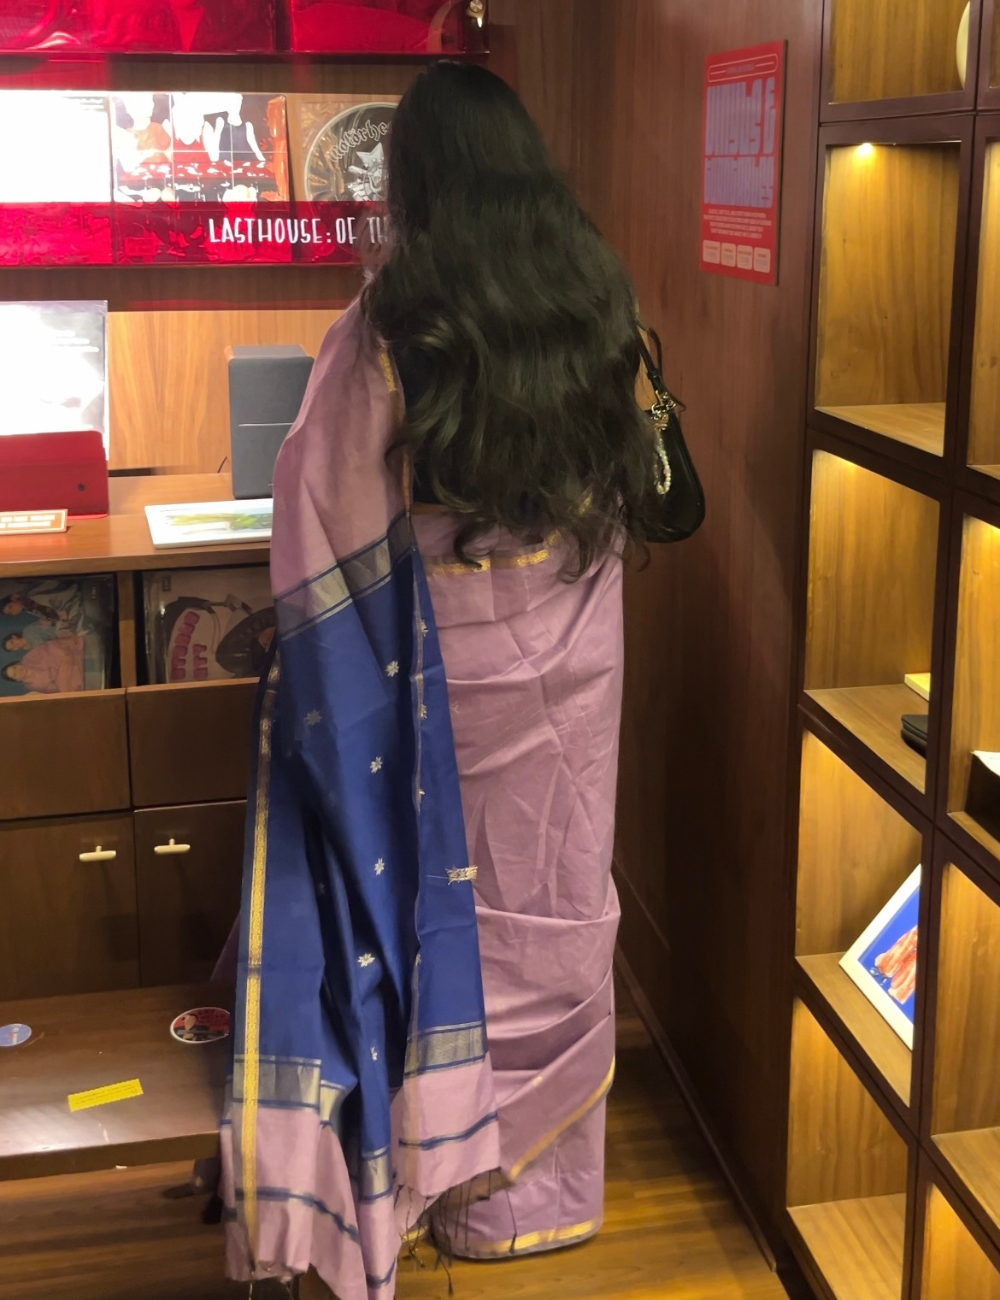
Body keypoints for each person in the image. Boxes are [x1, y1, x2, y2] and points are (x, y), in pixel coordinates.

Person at [221, 61, 661, 1300]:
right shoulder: (595, 294)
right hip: (573, 642)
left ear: (414, 181)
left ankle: (437, 1172)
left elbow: (321, 509)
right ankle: (541, 1198)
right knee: (556, 881)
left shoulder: (390, 326)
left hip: (436, 667)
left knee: (435, 903)